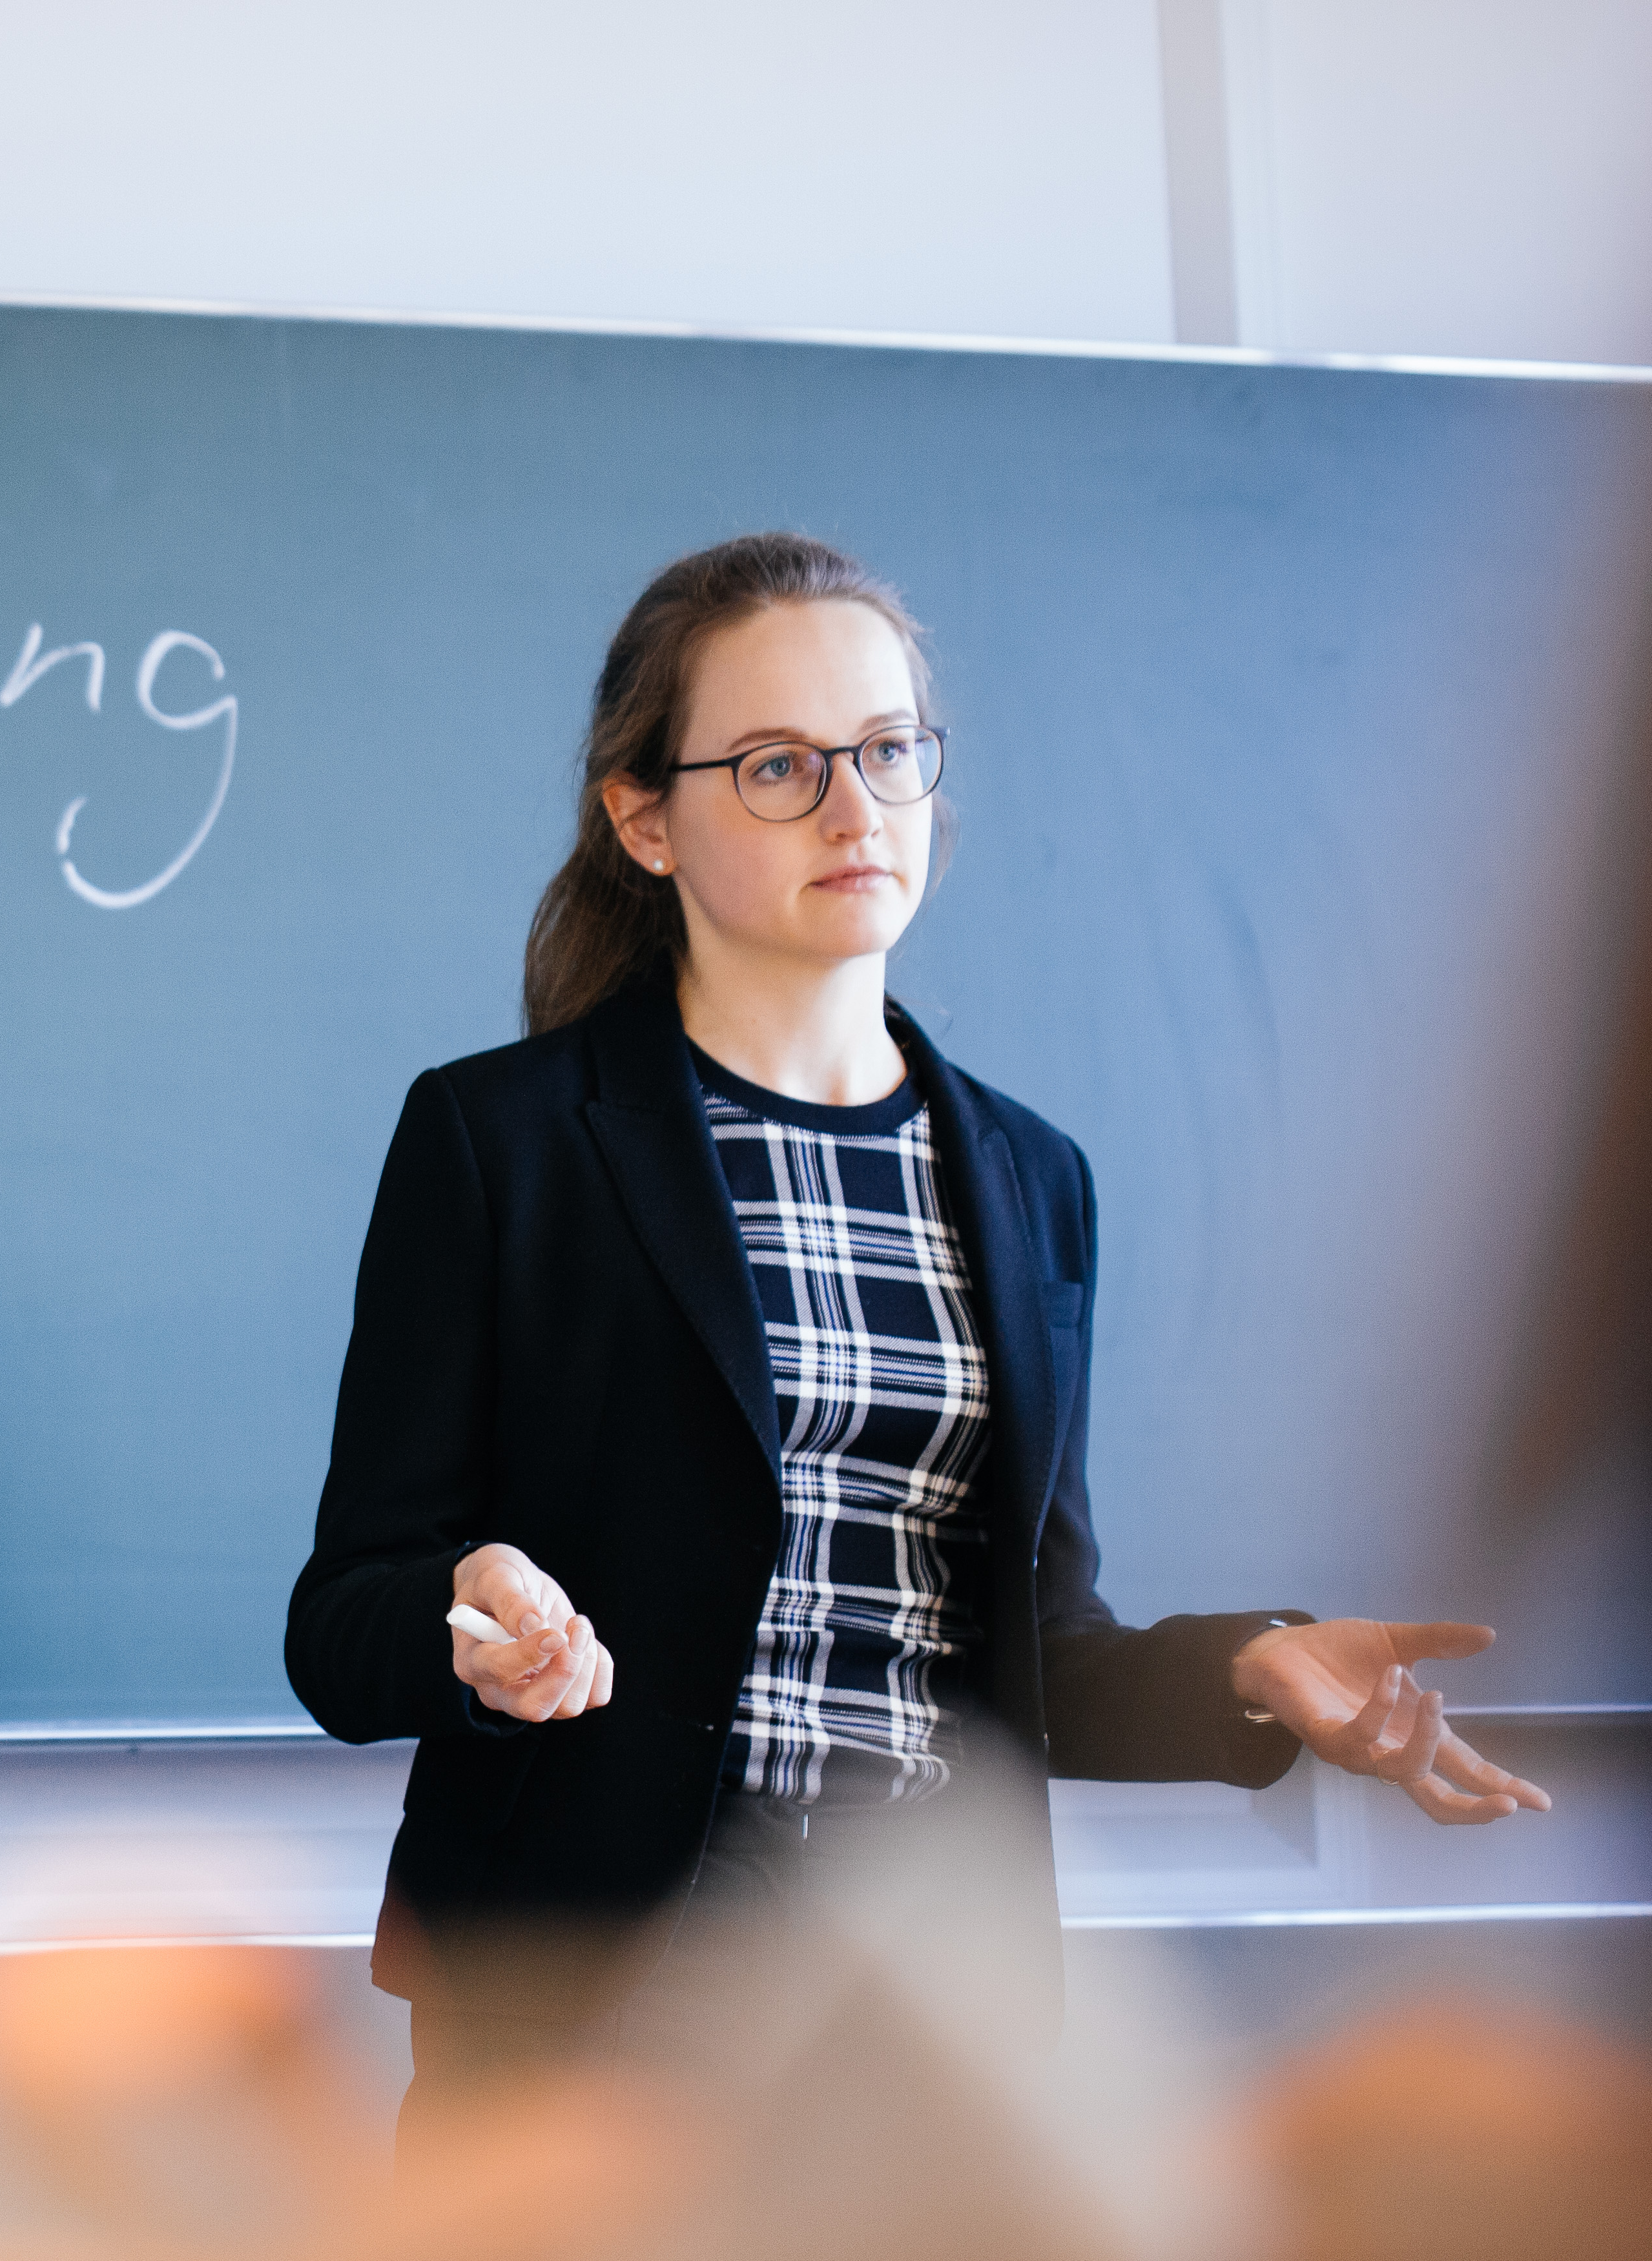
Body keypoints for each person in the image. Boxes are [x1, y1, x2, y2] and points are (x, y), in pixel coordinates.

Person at [280, 532, 1551, 2096]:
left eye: (886, 751)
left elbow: (1033, 1651)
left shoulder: (1030, 1177)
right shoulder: (505, 1140)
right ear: (641, 818)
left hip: (922, 2000)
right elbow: (342, 1627)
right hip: (589, 1991)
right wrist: (469, 1623)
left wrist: (1250, 1664)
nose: (852, 805)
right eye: (774, 765)